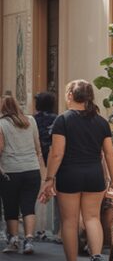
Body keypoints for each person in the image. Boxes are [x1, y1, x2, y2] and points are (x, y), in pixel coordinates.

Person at [38, 80, 113, 261]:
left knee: (70, 222)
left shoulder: (63, 120)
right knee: (92, 218)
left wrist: (49, 179)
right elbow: (110, 154)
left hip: (69, 174)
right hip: (94, 175)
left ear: (69, 96)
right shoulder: (101, 122)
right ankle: (96, 258)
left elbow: (57, 153)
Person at [1, 95, 46, 255]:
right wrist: (42, 171)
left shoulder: (1, 124)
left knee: (11, 206)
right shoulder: (31, 121)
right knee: (28, 206)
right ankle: (28, 240)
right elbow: (37, 146)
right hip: (31, 169)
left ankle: (13, 240)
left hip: (10, 171)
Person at [32, 92, 59, 243]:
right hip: (53, 160)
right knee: (51, 194)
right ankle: (52, 229)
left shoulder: (33, 120)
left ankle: (38, 229)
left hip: (36, 160)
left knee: (38, 194)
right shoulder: (56, 119)